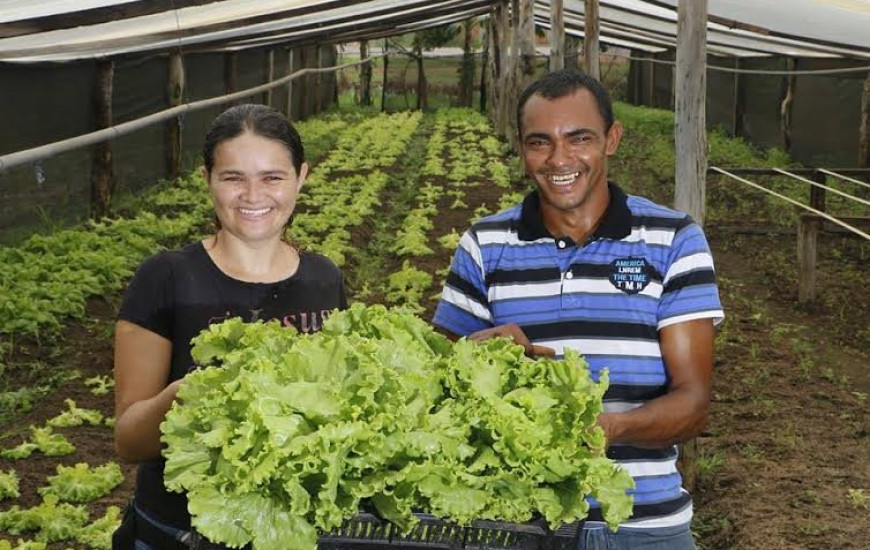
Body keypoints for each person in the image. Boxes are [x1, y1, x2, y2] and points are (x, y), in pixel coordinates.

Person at [432, 69, 723, 549]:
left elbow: (693, 405)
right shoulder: (484, 244)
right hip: (517, 525)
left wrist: (606, 428)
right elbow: (438, 387)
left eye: (579, 138)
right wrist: (474, 353)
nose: (559, 159)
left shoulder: (674, 240)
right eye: (540, 142)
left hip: (641, 527)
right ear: (521, 148)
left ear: (611, 139)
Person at [112, 104, 347, 550]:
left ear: (301, 177)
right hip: (180, 533)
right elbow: (129, 440)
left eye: (272, 177)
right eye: (233, 177)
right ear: (207, 181)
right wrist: (188, 396)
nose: (253, 195)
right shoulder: (165, 278)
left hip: (295, 530)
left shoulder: (325, 277)